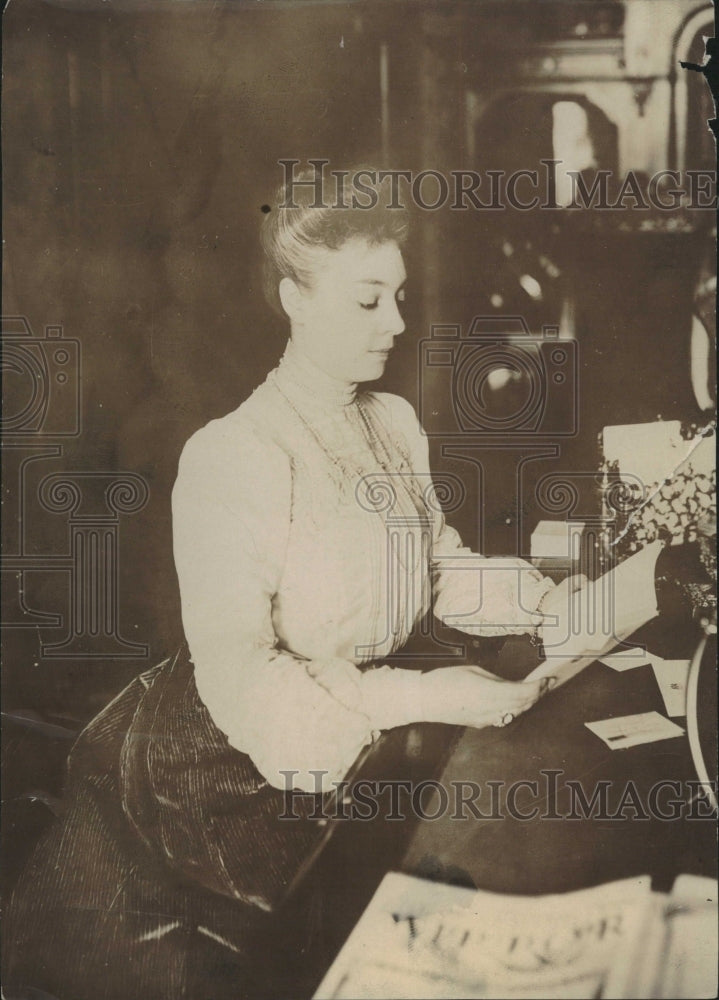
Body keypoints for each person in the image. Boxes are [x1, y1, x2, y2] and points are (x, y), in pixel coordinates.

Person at [5, 169, 576, 1000]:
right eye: (368, 300)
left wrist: (551, 601)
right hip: (236, 768)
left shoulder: (392, 421)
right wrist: (419, 698)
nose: (398, 322)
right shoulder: (235, 453)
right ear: (295, 299)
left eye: (400, 296)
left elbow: (438, 567)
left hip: (366, 733)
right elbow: (240, 674)